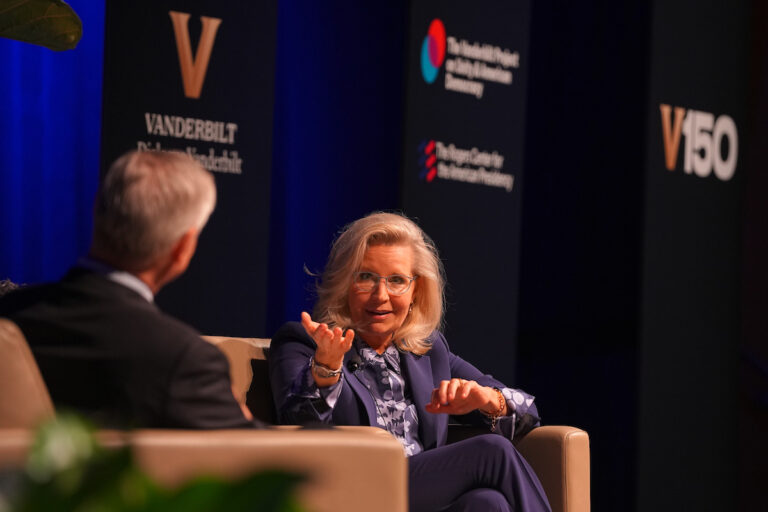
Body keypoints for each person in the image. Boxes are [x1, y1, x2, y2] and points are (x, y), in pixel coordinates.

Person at [269, 212, 551, 512]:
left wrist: (487, 400)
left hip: (419, 497)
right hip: (351, 495)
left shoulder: (428, 352)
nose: (381, 295)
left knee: (487, 503)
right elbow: (296, 428)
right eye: (365, 277)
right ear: (344, 284)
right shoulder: (302, 342)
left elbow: (527, 409)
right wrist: (325, 369)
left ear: (416, 290)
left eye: (396, 281)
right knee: (493, 451)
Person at [0, 150, 262, 429]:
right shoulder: (183, 360)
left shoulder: (10, 313)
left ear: (97, 212)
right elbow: (253, 458)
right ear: (182, 249)